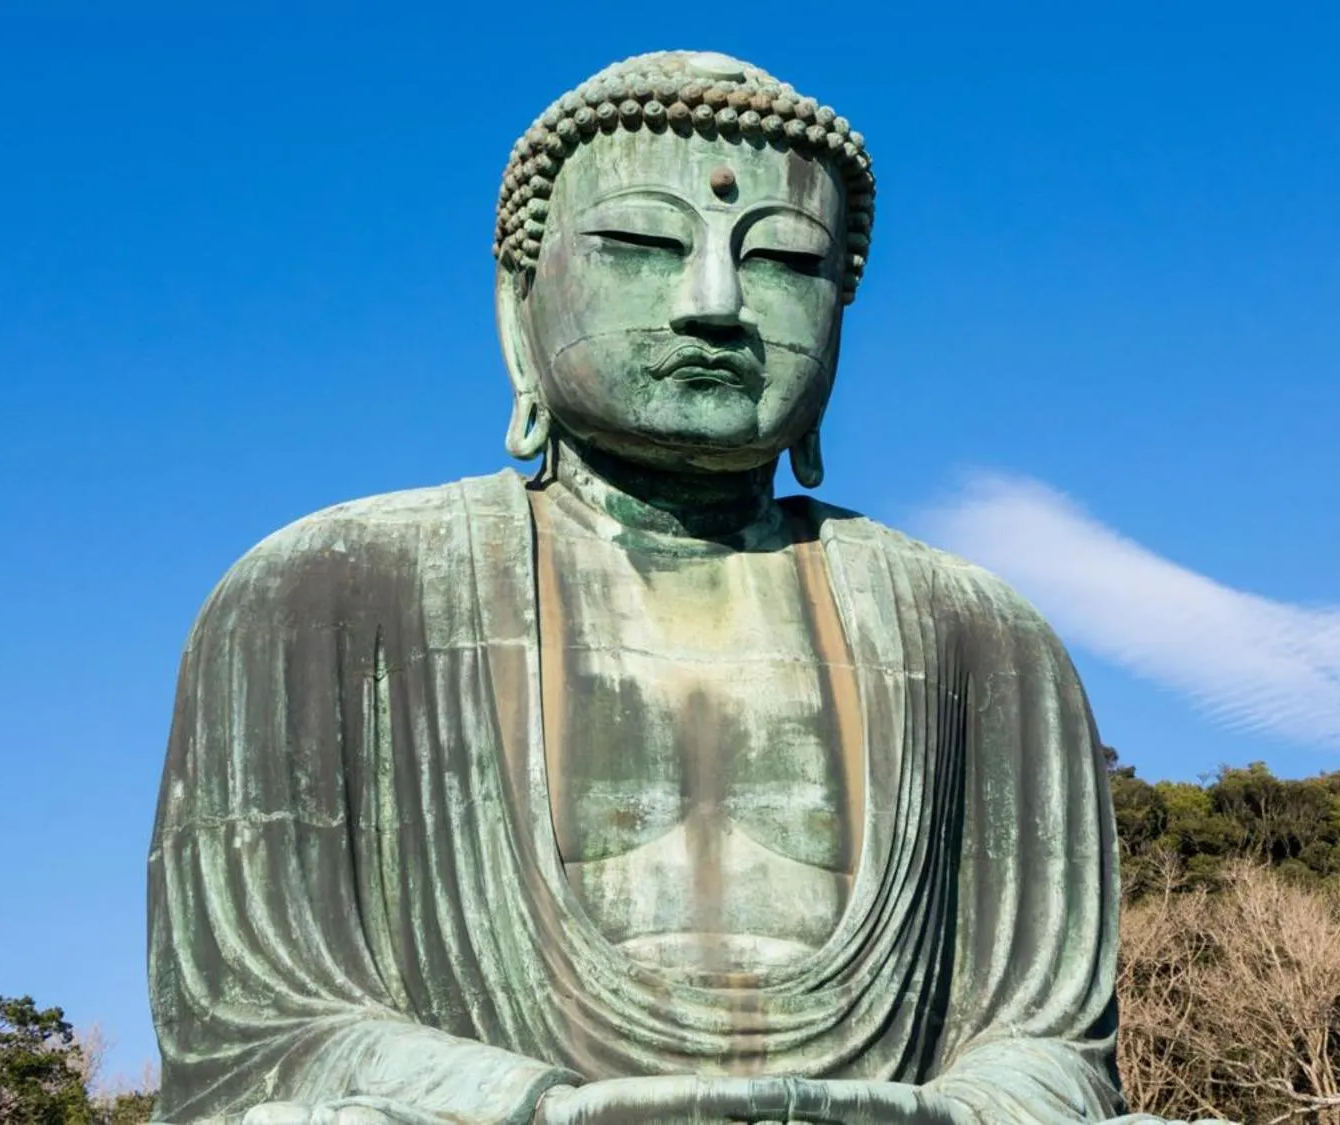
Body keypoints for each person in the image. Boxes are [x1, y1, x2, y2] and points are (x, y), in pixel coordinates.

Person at [149, 50, 1226, 1125]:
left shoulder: (978, 637)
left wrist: (949, 1112)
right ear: (518, 303)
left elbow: (1049, 1046)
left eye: (784, 261)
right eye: (640, 243)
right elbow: (259, 1033)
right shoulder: (329, 592)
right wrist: (545, 1109)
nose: (714, 304)